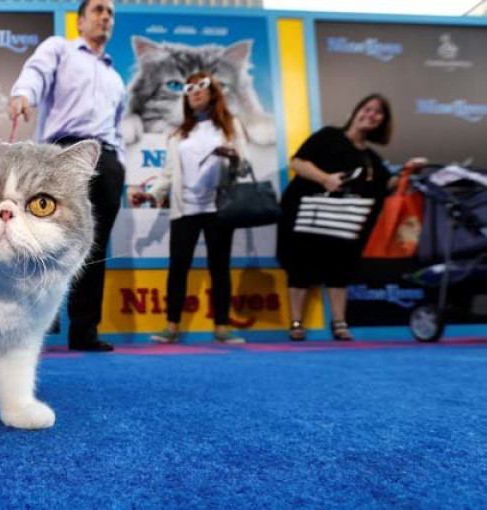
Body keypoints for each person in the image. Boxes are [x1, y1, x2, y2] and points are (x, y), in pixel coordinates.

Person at [9, 0, 125, 352]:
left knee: (95, 247)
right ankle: (20, 331)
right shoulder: (59, 48)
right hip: (60, 154)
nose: (105, 16)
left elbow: (118, 131)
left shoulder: (116, 78)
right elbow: (36, 72)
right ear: (80, 21)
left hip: (104, 160)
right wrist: (22, 94)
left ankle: (84, 331)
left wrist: (123, 171)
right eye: (98, 10)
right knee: (39, 241)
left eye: (110, 13)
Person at [277, 93, 423, 341]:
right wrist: (325, 178)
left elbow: (388, 185)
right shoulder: (328, 136)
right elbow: (298, 162)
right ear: (356, 111)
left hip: (344, 224)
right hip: (307, 215)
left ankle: (339, 323)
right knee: (300, 267)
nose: (371, 114)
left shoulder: (371, 158)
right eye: (368, 108)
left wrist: (410, 171)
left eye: (379, 113)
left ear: (382, 122)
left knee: (340, 270)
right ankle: (296, 323)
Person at [130, 72, 247, 344]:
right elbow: (168, 175)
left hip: (219, 208)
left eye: (202, 86)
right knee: (178, 268)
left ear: (213, 91)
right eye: (189, 88)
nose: (195, 91)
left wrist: (232, 156)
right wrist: (149, 196)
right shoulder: (178, 134)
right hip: (185, 210)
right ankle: (172, 327)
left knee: (220, 268)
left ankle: (221, 327)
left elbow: (244, 165)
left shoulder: (230, 126)